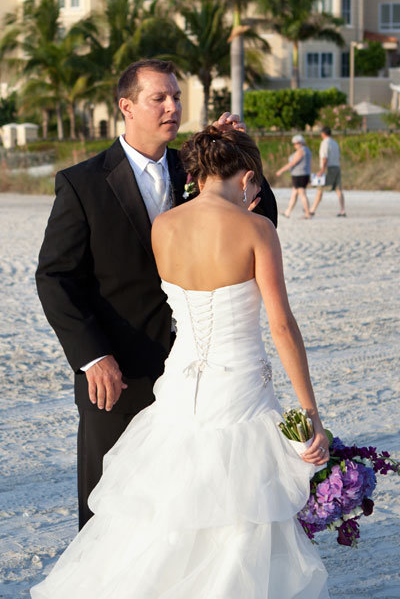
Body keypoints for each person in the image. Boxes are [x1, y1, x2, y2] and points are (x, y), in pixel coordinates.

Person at [31, 126, 330, 598]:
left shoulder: (164, 227)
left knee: (169, 506)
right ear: (249, 178)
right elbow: (281, 326)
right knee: (240, 515)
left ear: (194, 173)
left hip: (178, 389)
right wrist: (310, 413)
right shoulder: (257, 229)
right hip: (239, 391)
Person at [35, 59, 278, 531]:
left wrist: (242, 158)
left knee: (187, 505)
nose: (173, 106)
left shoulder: (196, 168)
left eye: (177, 96)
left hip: (191, 375)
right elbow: (55, 277)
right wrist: (92, 358)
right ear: (126, 107)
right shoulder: (82, 183)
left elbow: (259, 221)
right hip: (117, 371)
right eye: (159, 98)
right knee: (109, 505)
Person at [310, 126, 346, 217]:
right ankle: (342, 210)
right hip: (337, 167)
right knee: (339, 189)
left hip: (328, 168)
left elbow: (324, 157)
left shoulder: (325, 143)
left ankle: (312, 210)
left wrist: (322, 169)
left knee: (320, 189)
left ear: (323, 133)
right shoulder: (335, 143)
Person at [276, 134, 312, 219]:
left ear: (300, 143)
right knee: (294, 194)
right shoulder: (307, 150)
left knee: (302, 194)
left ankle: (307, 213)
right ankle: (288, 212)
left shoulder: (301, 151)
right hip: (303, 174)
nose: (294, 145)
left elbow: (293, 163)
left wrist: (281, 170)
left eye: (296, 143)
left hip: (299, 175)